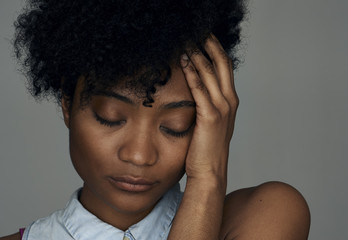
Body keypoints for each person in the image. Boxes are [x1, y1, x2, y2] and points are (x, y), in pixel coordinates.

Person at [1, 0, 310, 239]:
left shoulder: (264, 217)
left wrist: (207, 177)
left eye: (175, 126)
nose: (139, 155)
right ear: (67, 103)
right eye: (111, 118)